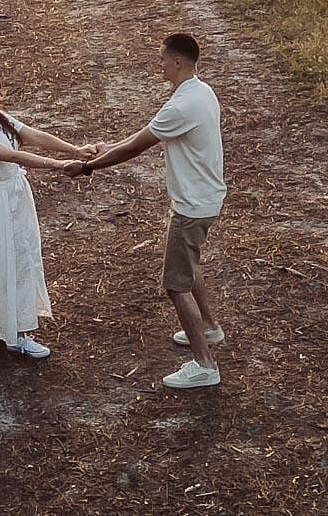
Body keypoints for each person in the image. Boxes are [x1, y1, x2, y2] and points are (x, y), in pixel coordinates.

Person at [77, 33, 227, 390]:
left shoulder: (180, 106)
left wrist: (89, 167)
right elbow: (141, 137)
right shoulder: (201, 92)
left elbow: (135, 147)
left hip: (192, 208)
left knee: (176, 285)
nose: (159, 64)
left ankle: (204, 364)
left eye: (162, 59)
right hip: (205, 200)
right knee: (190, 267)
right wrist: (104, 147)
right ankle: (209, 327)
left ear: (177, 62)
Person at [0, 64, 98, 359]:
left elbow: (34, 136)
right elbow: (11, 155)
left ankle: (9, 324)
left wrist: (75, 151)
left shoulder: (0, 121)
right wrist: (57, 165)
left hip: (14, 199)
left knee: (22, 258)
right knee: (3, 264)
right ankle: (15, 334)